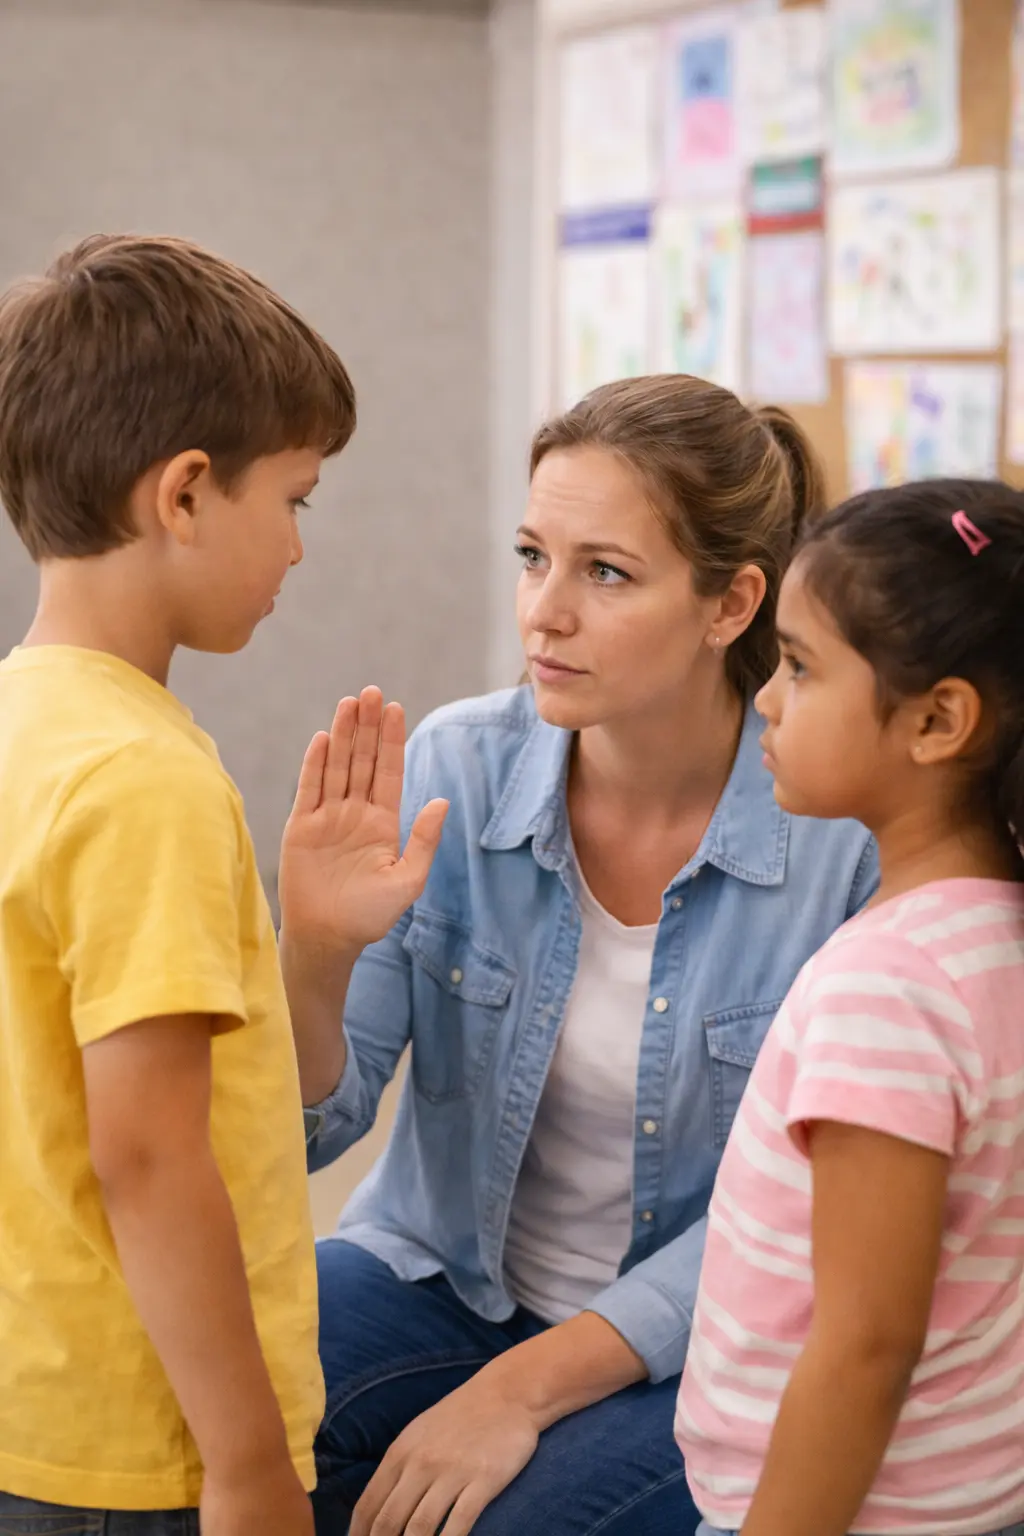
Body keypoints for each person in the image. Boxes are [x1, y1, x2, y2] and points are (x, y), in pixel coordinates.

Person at [279, 375, 879, 1536]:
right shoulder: (458, 764)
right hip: (438, 1283)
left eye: (604, 572)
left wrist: (518, 1390)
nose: (543, 613)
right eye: (531, 556)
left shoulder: (838, 841)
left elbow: (810, 1218)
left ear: (729, 604)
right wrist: (311, 953)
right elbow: (316, 1130)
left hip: (691, 1342)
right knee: (191, 1406)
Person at [0, 235, 368, 1536]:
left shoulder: (23, 721)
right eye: (297, 500)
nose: (298, 549)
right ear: (188, 493)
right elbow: (149, 1154)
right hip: (140, 1443)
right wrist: (251, 1463)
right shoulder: (140, 775)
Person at [677, 479, 1024, 1536]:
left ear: (936, 721)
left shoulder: (892, 984)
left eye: (799, 665)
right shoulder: (987, 928)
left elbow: (867, 1343)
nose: (768, 700)